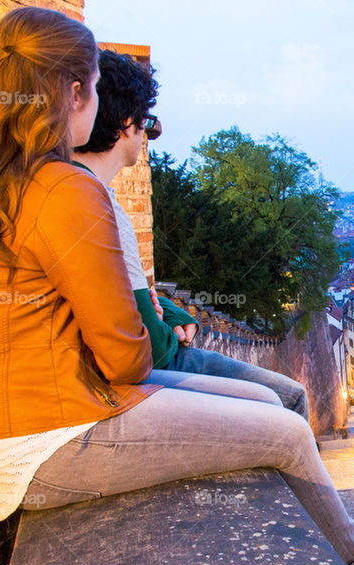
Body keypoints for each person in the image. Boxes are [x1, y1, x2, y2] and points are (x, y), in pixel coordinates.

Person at [0, 7, 354, 565]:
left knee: (273, 406)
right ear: (74, 92)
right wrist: (150, 328)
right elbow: (127, 356)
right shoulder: (64, 189)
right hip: (55, 440)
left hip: (15, 433)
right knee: (287, 430)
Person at [71, 49, 310, 424]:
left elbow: (124, 303)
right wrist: (170, 328)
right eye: (148, 123)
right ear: (127, 124)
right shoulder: (100, 206)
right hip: (132, 384)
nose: (147, 135)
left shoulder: (71, 187)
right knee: (289, 399)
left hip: (105, 384)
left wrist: (163, 309)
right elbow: (154, 343)